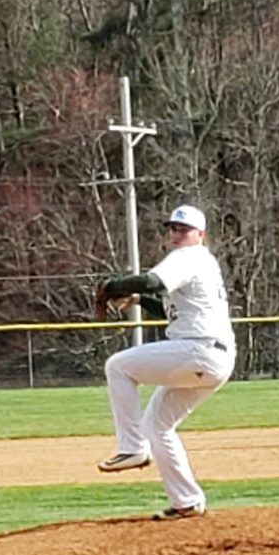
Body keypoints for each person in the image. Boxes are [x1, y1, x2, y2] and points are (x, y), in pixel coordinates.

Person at [97, 204, 236, 520]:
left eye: (183, 229)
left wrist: (116, 286)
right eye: (172, 227)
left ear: (200, 235)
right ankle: (187, 500)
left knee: (117, 366)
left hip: (198, 350)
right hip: (211, 356)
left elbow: (154, 283)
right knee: (157, 426)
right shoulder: (203, 263)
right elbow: (168, 307)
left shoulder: (188, 257)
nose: (176, 233)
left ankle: (132, 448)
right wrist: (138, 300)